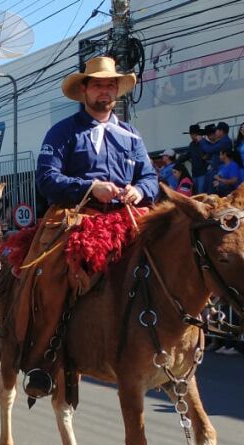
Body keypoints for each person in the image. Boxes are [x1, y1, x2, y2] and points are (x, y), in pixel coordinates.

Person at [14, 55, 156, 397]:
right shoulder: (62, 132)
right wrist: (91, 187)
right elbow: (47, 178)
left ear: (116, 91)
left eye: (111, 85)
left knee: (170, 256)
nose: (105, 90)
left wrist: (138, 190)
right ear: (84, 90)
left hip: (127, 217)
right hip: (78, 217)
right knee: (57, 275)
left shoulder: (131, 135)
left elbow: (150, 177)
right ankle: (44, 359)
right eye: (98, 84)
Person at [179, 124, 208, 194]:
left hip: (203, 173)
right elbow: (187, 155)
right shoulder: (192, 144)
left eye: (192, 134)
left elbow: (206, 154)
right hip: (195, 173)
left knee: (201, 193)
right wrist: (178, 160)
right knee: (196, 193)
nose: (191, 136)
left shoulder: (203, 143)